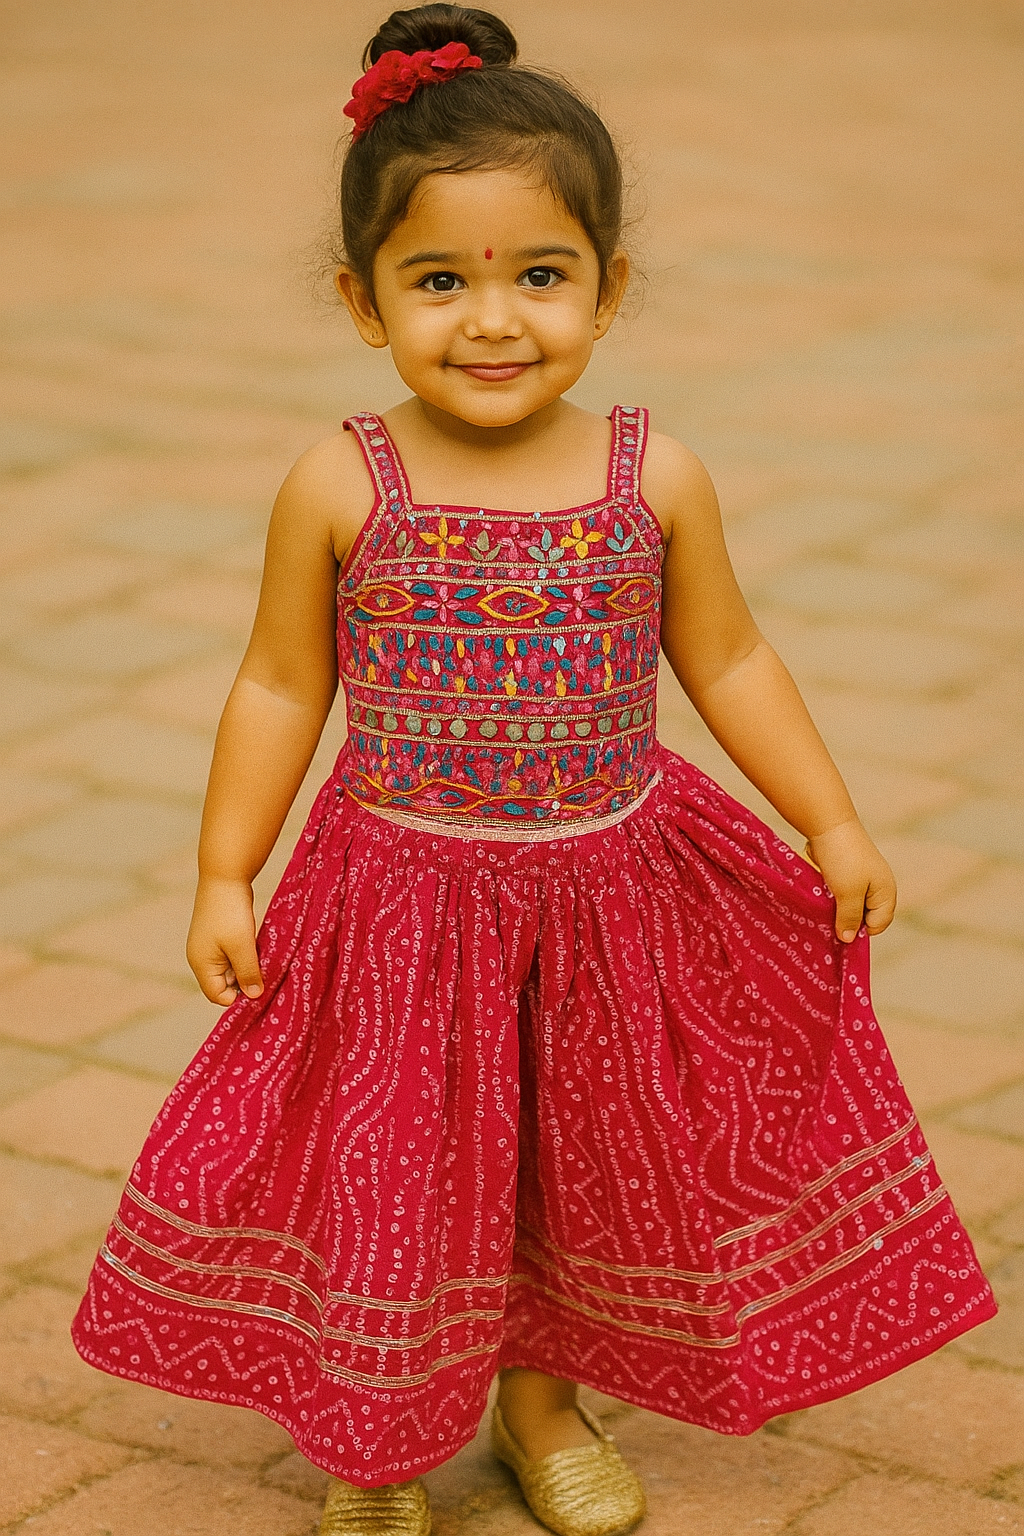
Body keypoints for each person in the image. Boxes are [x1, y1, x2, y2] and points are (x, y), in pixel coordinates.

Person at [72, 6, 996, 1535]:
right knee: (397, 1175)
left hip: (608, 900)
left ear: (609, 289)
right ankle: (372, 1443)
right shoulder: (340, 481)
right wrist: (224, 866)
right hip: (401, 906)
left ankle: (542, 1405)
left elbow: (734, 661)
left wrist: (831, 819)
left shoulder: (655, 474)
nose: (491, 320)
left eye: (539, 275)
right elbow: (281, 679)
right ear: (364, 301)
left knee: (571, 1172)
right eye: (439, 281)